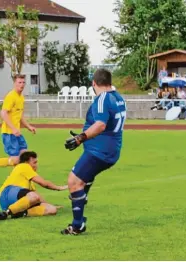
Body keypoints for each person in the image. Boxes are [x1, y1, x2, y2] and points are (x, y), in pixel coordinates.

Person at [61, 69, 125, 235]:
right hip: (111, 150)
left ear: (93, 84)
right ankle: (82, 197)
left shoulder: (103, 99)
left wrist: (80, 138)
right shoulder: (118, 97)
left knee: (73, 182)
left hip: (99, 151)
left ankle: (77, 225)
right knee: (83, 180)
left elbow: (100, 125)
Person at [0, 74, 36, 179]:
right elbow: (3, 113)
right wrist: (13, 128)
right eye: (19, 82)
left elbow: (20, 115)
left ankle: (17, 178)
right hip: (8, 133)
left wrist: (28, 126)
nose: (21, 85)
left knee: (25, 156)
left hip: (16, 133)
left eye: (23, 83)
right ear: (14, 83)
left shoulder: (21, 97)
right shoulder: (11, 96)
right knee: (16, 160)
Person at [0, 151, 67, 220]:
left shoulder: (28, 180)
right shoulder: (24, 166)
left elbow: (37, 196)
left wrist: (49, 205)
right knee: (34, 197)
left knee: (51, 209)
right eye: (34, 162)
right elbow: (44, 183)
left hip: (19, 201)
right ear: (26, 162)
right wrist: (59, 188)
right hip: (7, 194)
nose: (36, 165)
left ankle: (19, 213)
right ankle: (7, 212)